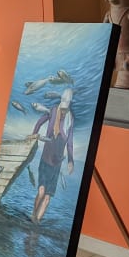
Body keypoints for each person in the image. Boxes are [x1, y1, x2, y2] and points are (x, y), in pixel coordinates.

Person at [30, 87, 75, 224]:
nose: (64, 111)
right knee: (41, 192)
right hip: (46, 159)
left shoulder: (70, 119)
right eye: (63, 108)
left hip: (57, 164)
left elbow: (70, 142)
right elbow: (40, 122)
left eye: (66, 108)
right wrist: (34, 134)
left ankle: (37, 223)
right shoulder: (53, 110)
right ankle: (33, 215)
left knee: (48, 197)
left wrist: (71, 160)